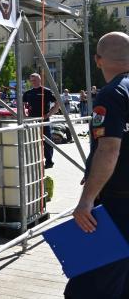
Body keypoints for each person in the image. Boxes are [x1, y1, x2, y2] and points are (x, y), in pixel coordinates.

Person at [68, 32, 129, 298]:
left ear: (98, 60)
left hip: (117, 203)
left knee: (90, 284)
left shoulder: (112, 93)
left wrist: (87, 199)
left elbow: (109, 149)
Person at [22, 73, 59, 168]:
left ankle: (49, 161)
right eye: (31, 80)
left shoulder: (46, 91)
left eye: (34, 80)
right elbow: (22, 103)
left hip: (43, 120)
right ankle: (35, 161)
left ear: (39, 80)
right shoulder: (28, 93)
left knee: (46, 141)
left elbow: (58, 103)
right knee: (32, 141)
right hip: (32, 120)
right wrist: (24, 114)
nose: (33, 82)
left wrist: (50, 113)